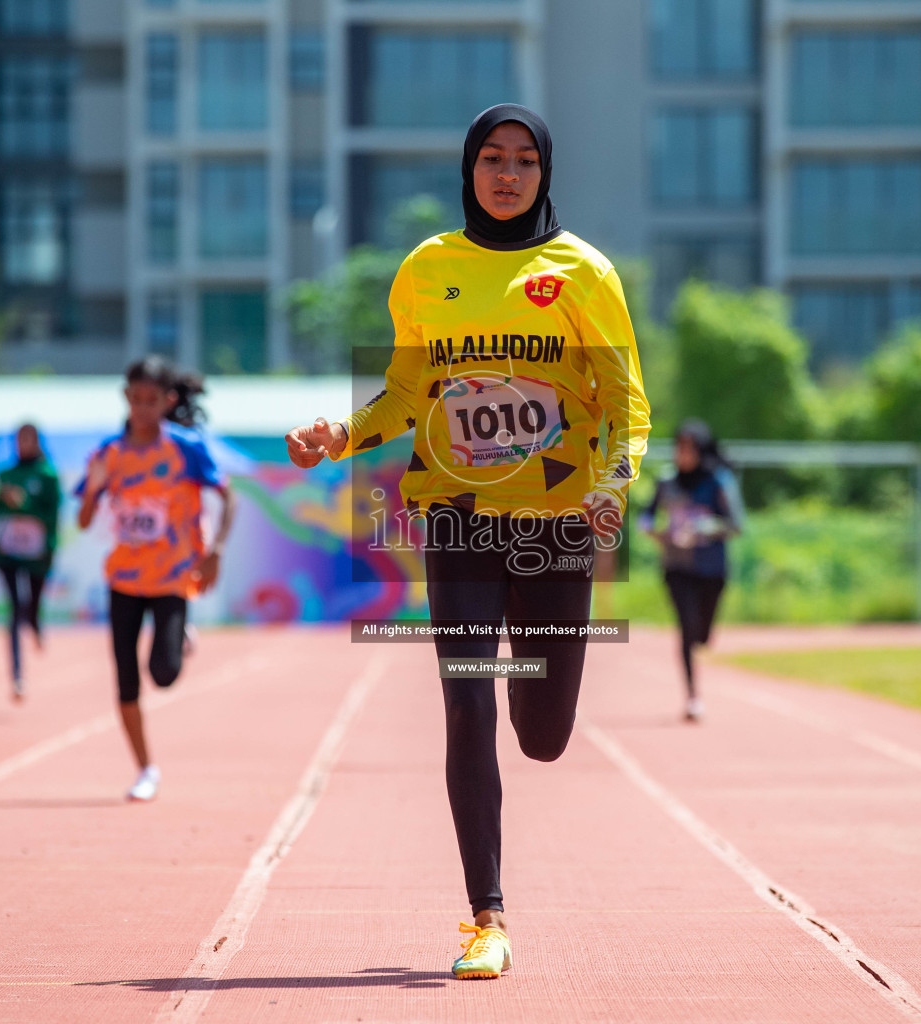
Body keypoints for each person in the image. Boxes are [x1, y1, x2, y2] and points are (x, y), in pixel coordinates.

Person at [285, 104, 649, 980]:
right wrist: (342, 433)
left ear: (544, 174)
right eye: (493, 157)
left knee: (544, 732)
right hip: (454, 515)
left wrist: (612, 482)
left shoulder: (584, 272)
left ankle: (542, 701)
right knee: (467, 695)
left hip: (557, 520)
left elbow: (628, 401)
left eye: (525, 160)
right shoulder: (426, 271)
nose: (508, 173)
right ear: (469, 169)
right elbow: (405, 395)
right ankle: (486, 915)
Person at [77, 357, 234, 802]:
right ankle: (145, 768)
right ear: (125, 398)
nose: (142, 409)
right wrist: (93, 487)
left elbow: (228, 496)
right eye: (135, 399)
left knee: (162, 675)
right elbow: (86, 520)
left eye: (152, 401)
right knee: (125, 677)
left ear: (167, 402)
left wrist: (215, 550)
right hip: (124, 578)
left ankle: (180, 632)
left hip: (171, 577)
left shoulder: (186, 448)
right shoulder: (107, 454)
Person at [640, 420, 744, 722]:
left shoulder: (719, 481)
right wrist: (656, 531)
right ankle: (692, 697)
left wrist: (703, 527)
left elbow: (735, 523)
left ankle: (701, 636)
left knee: (702, 634)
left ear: (701, 450)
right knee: (686, 628)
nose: (682, 454)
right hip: (677, 568)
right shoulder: (666, 481)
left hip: (712, 569)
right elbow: (645, 517)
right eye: (679, 447)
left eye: (689, 448)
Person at [0, 423, 61, 702]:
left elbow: (51, 514)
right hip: (8, 551)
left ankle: (35, 624)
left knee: (31, 605)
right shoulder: (5, 474)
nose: (23, 444)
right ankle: (17, 676)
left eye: (28, 439)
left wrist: (23, 505)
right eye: (19, 439)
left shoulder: (48, 476)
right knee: (14, 608)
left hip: (36, 553)